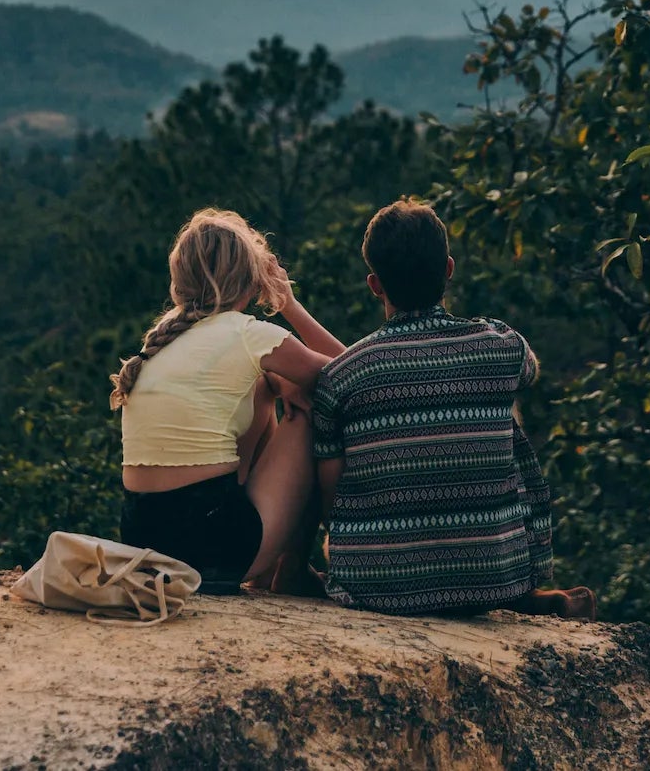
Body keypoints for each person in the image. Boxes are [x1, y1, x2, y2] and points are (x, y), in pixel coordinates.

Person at [311, 199, 595, 618]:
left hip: (378, 586)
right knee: (501, 413)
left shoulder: (341, 376)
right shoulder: (500, 344)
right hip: (495, 575)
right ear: (449, 269)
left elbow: (329, 496)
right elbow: (529, 370)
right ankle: (507, 581)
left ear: (374, 285)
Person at [112, 208, 344, 592]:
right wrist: (290, 306)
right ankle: (291, 568)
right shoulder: (246, 335)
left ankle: (279, 571)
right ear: (251, 281)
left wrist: (276, 381)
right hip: (215, 550)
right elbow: (356, 375)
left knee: (264, 384)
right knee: (310, 411)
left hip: (143, 545)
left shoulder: (160, 344)